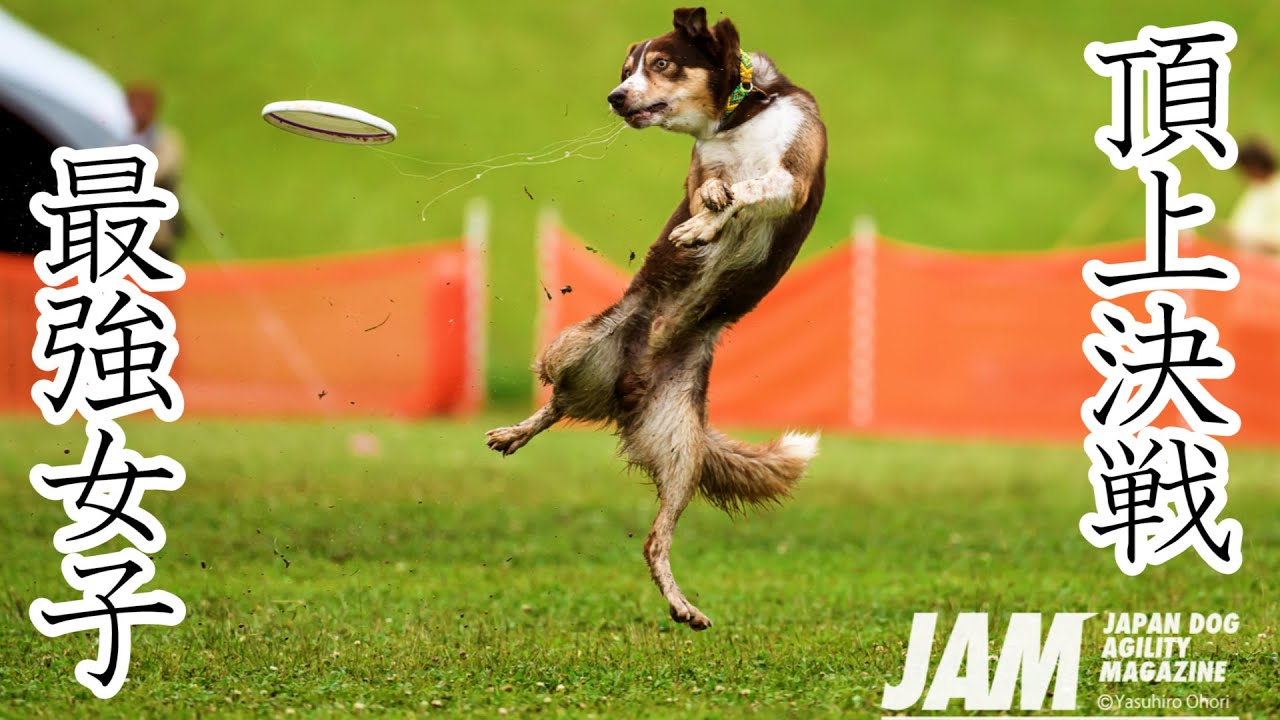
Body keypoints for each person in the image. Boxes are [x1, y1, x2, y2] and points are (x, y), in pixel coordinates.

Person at [125, 84, 186, 259]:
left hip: (158, 231)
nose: (139, 111)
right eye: (134, 105)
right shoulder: (121, 140)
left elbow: (161, 170)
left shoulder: (166, 140)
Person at [1226, 138, 1280, 255]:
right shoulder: (1255, 190)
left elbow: (1276, 243)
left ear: (1255, 166)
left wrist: (1241, 235)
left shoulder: (1276, 193)